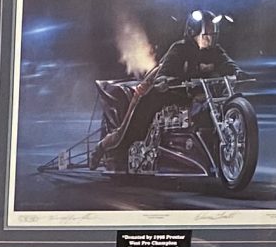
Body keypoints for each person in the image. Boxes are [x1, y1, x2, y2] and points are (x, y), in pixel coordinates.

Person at [94, 9, 237, 170]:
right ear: (192, 33)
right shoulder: (179, 48)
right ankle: (102, 146)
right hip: (160, 91)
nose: (209, 40)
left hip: (186, 93)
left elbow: (227, 63)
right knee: (132, 132)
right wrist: (164, 80)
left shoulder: (215, 52)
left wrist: (238, 72)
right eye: (205, 36)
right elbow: (165, 70)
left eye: (212, 36)